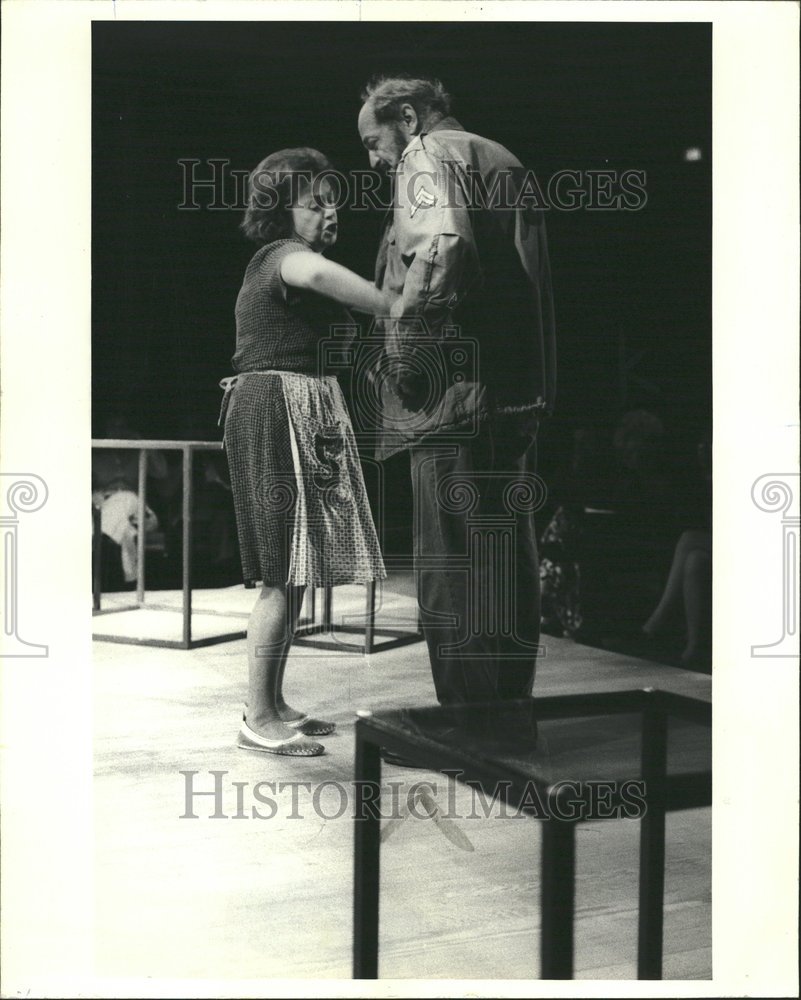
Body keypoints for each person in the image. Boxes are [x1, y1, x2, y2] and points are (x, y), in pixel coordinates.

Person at [357, 76, 556, 723]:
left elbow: (441, 245)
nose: (373, 160)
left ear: (406, 119)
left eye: (372, 142)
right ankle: (506, 715)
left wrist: (405, 352)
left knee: (452, 561)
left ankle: (469, 726)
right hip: (512, 395)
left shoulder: (427, 155)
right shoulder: (499, 158)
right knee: (505, 556)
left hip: (452, 399)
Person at [220, 148, 389, 757]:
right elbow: (317, 274)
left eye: (334, 201)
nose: (330, 212)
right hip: (274, 409)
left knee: (296, 569)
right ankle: (257, 717)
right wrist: (399, 301)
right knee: (278, 572)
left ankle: (275, 702)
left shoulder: (300, 262)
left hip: (302, 408)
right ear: (280, 211)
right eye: (315, 203)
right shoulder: (282, 257)